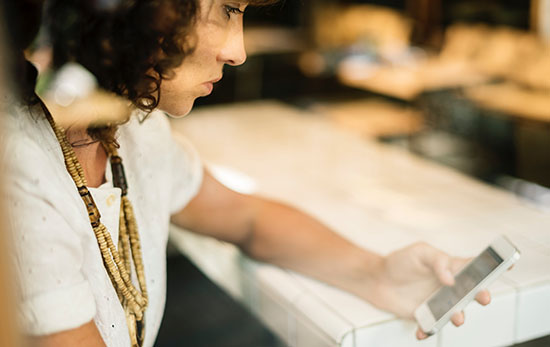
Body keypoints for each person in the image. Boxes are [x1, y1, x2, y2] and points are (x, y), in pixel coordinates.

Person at [4, 0, 491, 346]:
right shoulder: (20, 171)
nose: (238, 51)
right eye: (226, 11)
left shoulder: (134, 127)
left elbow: (244, 216)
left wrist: (378, 273)